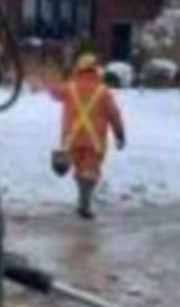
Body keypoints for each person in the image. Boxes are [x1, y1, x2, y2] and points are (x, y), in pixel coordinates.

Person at [49, 52, 126, 219]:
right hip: (94, 141)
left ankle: (81, 196)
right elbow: (114, 115)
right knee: (89, 171)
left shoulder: (69, 87)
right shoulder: (103, 92)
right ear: (95, 70)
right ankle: (85, 202)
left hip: (71, 139)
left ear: (79, 69)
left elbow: (53, 92)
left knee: (77, 168)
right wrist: (120, 135)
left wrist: (61, 76)